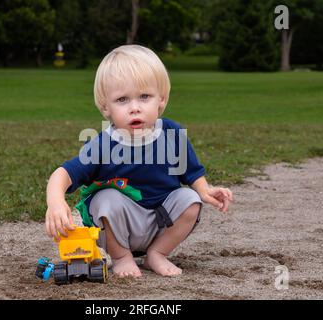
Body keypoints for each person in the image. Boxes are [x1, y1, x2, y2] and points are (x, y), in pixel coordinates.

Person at [45, 45, 233, 278]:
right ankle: (122, 257)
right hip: (117, 227)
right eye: (122, 99)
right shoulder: (103, 144)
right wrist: (55, 202)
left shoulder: (172, 134)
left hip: (161, 223)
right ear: (106, 107)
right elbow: (63, 173)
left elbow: (192, 174)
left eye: (144, 96)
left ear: (161, 100)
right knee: (105, 198)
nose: (135, 107)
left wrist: (206, 190)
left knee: (190, 199)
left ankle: (157, 253)